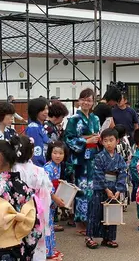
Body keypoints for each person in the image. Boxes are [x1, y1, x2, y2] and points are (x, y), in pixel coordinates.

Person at [63, 88, 100, 233]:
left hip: (92, 157)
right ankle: (80, 222)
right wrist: (86, 140)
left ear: (93, 102)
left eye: (89, 100)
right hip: (79, 159)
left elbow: (96, 135)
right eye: (83, 99)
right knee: (81, 190)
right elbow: (68, 138)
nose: (86, 102)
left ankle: (89, 220)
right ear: (79, 101)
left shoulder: (95, 119)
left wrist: (97, 139)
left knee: (91, 190)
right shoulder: (73, 119)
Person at [10, 135, 52, 260]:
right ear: (31, 152)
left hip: (18, 209)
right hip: (36, 209)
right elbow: (46, 193)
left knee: (18, 239)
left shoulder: (12, 169)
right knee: (36, 241)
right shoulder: (39, 170)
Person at [85, 128, 127, 249]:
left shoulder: (119, 158)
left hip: (114, 188)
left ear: (117, 141)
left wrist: (119, 190)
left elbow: (123, 173)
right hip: (101, 189)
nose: (108, 143)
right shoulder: (99, 157)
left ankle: (108, 238)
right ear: (102, 142)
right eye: (105, 141)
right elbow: (98, 173)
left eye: (111, 140)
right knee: (96, 212)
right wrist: (106, 189)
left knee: (112, 212)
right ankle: (89, 237)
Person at [43, 141, 68, 260]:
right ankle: (47, 251)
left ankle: (50, 248)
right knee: (47, 224)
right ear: (50, 153)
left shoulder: (58, 166)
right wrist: (56, 198)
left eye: (61, 153)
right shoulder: (48, 167)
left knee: (50, 223)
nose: (57, 156)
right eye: (55, 153)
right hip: (46, 198)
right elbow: (47, 187)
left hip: (52, 198)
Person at [25, 98, 51, 167]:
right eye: (43, 110)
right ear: (35, 111)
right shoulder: (33, 128)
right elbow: (36, 154)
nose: (46, 112)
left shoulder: (40, 126)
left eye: (47, 109)